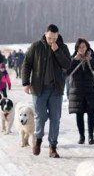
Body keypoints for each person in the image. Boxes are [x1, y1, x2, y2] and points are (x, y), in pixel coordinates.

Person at [21, 24, 71, 158]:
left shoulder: (63, 47)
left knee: (55, 118)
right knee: (40, 116)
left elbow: (67, 65)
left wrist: (57, 50)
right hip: (39, 89)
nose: (52, 41)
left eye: (54, 38)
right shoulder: (36, 46)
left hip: (56, 90)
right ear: (45, 34)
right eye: (49, 38)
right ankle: (38, 139)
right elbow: (26, 64)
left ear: (58, 35)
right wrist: (26, 82)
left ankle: (53, 147)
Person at [66, 38, 94, 145]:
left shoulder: (92, 56)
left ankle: (91, 136)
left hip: (90, 90)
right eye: (79, 47)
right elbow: (66, 72)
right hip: (77, 90)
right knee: (79, 114)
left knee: (91, 113)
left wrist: (91, 60)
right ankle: (81, 136)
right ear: (76, 48)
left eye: (83, 47)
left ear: (87, 47)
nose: (81, 49)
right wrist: (74, 60)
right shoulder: (73, 58)